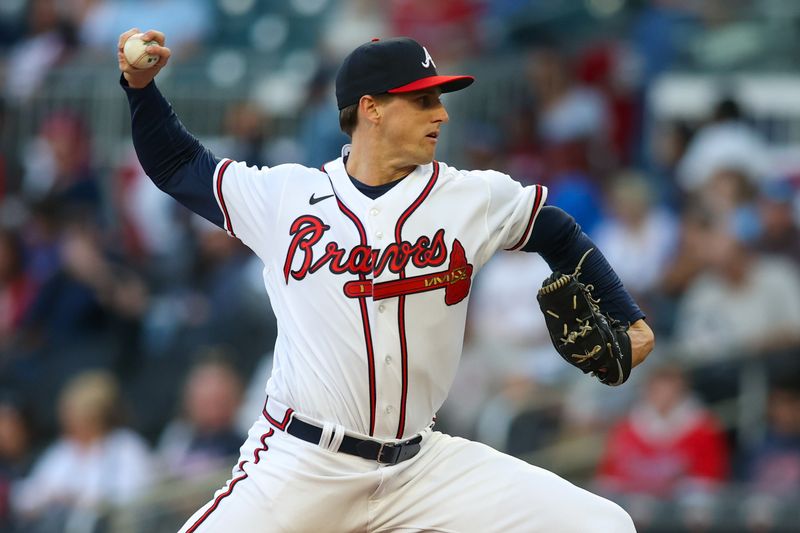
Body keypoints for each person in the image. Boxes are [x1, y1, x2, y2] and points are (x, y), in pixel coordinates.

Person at [117, 28, 654, 532]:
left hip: (419, 467)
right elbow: (177, 164)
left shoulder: (471, 197)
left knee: (604, 525)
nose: (441, 114)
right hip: (306, 462)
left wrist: (630, 319)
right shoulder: (285, 197)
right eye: (422, 100)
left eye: (439, 99)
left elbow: (556, 230)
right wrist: (140, 89)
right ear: (370, 109)